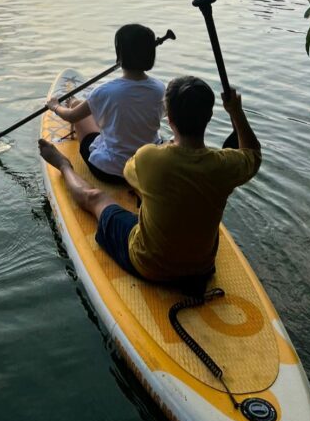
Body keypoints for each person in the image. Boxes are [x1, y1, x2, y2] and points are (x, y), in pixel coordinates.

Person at [39, 75, 261, 286]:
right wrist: (237, 113)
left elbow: (128, 174)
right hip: (202, 268)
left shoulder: (150, 157)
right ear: (208, 117)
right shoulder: (227, 164)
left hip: (148, 264)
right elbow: (253, 153)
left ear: (170, 118)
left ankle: (63, 165)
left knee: (96, 198)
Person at [46, 24, 165, 184]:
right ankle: (77, 103)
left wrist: (54, 106)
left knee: (76, 107)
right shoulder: (160, 88)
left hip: (112, 171)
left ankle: (73, 104)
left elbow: (71, 117)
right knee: (95, 109)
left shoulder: (105, 91)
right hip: (146, 169)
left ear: (120, 54)